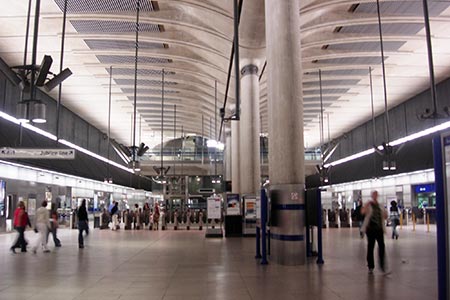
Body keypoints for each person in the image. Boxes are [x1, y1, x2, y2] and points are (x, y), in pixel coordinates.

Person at [361, 191, 389, 274]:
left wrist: (385, 214)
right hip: (370, 229)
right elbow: (362, 212)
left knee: (381, 246)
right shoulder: (369, 204)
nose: (375, 196)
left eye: (376, 195)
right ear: (372, 196)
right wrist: (366, 205)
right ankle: (370, 266)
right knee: (370, 247)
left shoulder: (380, 205)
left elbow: (385, 216)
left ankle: (382, 266)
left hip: (379, 229)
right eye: (374, 195)